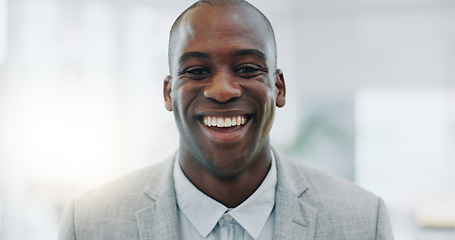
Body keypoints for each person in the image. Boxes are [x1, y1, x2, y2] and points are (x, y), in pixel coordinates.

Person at [59, 0, 394, 239]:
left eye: (247, 68)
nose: (222, 90)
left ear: (278, 88)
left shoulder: (363, 221)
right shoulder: (89, 224)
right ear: (167, 92)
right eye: (197, 71)